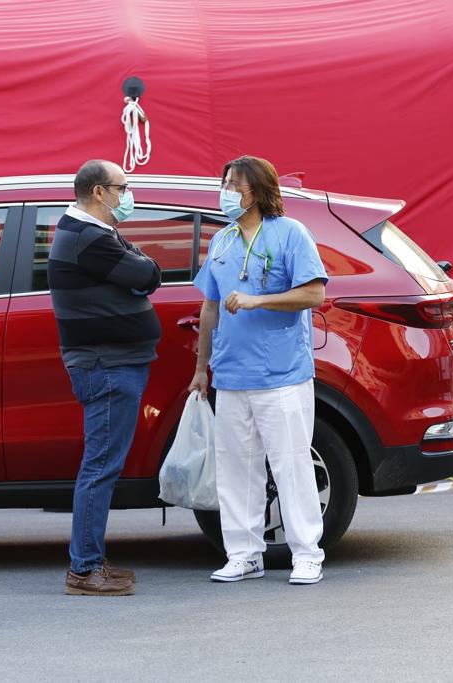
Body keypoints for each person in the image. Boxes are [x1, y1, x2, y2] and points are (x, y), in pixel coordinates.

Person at [189, 155, 329, 585]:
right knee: (235, 467)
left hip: (281, 374)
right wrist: (201, 368)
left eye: (236, 185)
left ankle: (307, 552)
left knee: (291, 464)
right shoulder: (223, 241)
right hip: (231, 375)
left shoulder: (290, 234)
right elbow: (209, 305)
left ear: (259, 190)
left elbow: (314, 294)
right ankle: (244, 553)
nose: (228, 192)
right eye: (225, 183)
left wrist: (257, 301)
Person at [48, 159, 162, 596]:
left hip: (114, 364)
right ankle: (84, 568)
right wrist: (136, 265)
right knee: (100, 468)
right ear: (99, 192)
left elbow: (139, 271)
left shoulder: (94, 233)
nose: (127, 194)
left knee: (101, 466)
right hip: (107, 366)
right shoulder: (88, 238)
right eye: (122, 187)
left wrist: (134, 264)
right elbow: (147, 273)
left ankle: (91, 558)